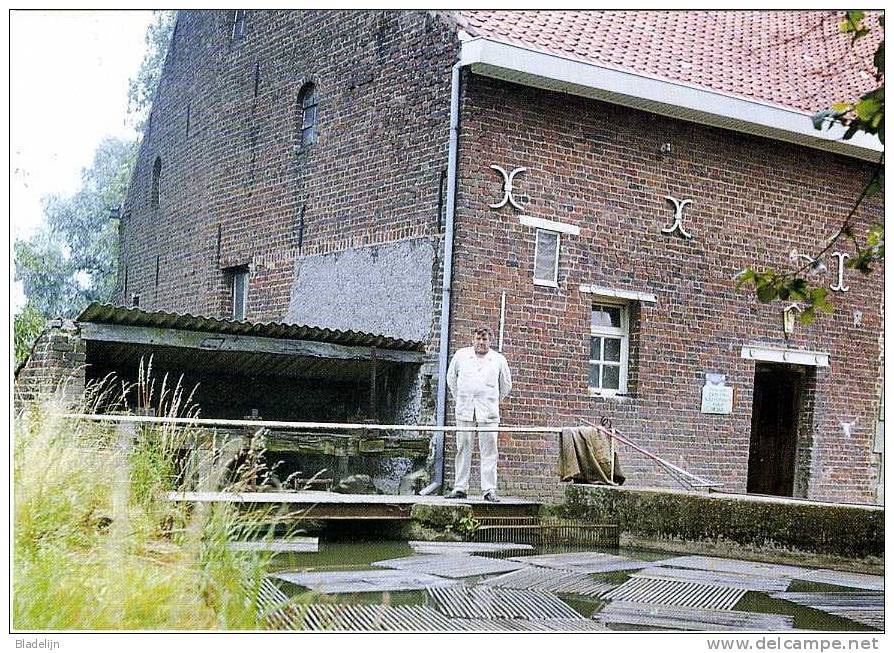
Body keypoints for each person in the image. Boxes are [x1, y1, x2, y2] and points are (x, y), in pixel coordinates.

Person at [445, 325, 512, 502]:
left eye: (485, 339)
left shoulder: (498, 360)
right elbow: (451, 379)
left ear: (490, 341)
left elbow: (506, 385)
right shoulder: (461, 356)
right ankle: (460, 488)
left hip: (488, 411)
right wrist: (461, 398)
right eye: (478, 339)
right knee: (463, 447)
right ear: (472, 339)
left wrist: (492, 400)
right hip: (465, 408)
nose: (481, 342)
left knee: (490, 449)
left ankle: (489, 490)